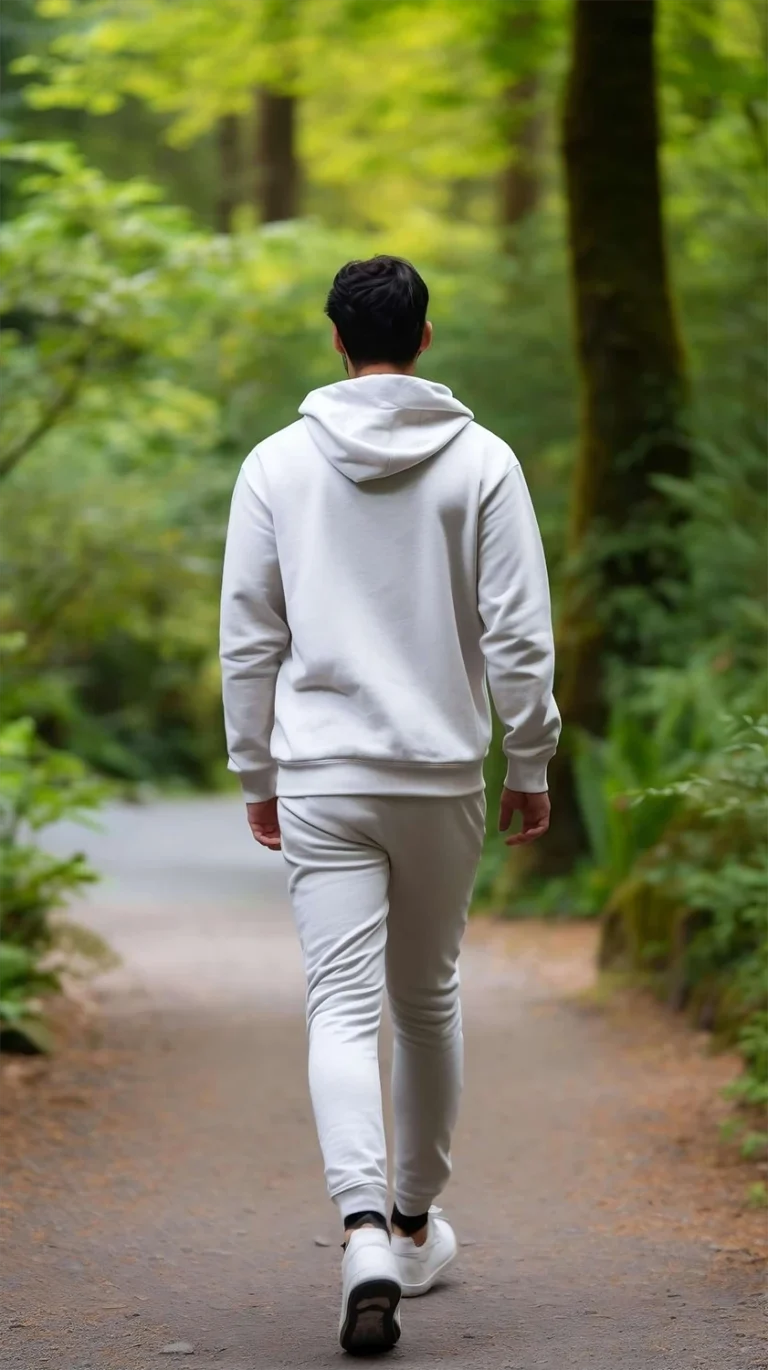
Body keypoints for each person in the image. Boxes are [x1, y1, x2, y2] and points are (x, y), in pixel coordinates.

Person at [219, 255, 560, 1354]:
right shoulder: (485, 461)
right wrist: (531, 760)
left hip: (321, 774)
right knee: (426, 999)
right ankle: (414, 1225)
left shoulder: (274, 463)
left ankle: (361, 1225)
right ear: (423, 339)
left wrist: (255, 769)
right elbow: (517, 633)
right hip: (440, 773)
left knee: (340, 1006)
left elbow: (248, 634)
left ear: (336, 339)